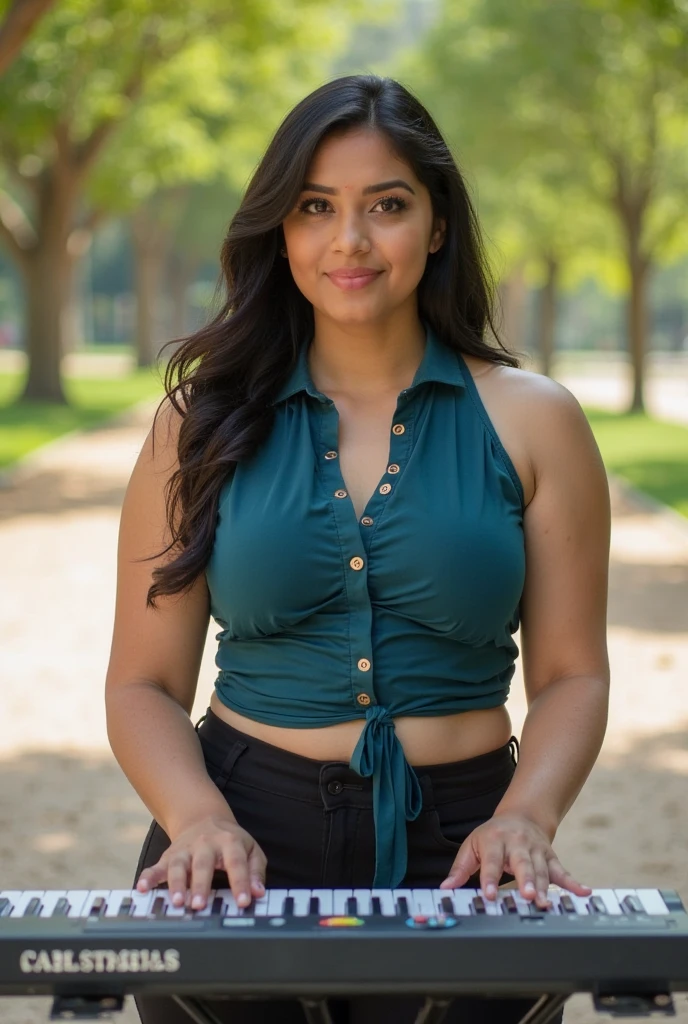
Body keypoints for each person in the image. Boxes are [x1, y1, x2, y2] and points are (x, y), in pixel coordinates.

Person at [105, 74, 611, 1024]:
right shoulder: (196, 425)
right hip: (236, 838)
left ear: (438, 224)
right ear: (280, 230)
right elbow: (143, 684)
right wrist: (197, 818)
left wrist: (526, 817)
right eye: (315, 207)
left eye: (386, 205)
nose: (350, 240)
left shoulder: (537, 421)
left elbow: (573, 674)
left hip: (470, 845)